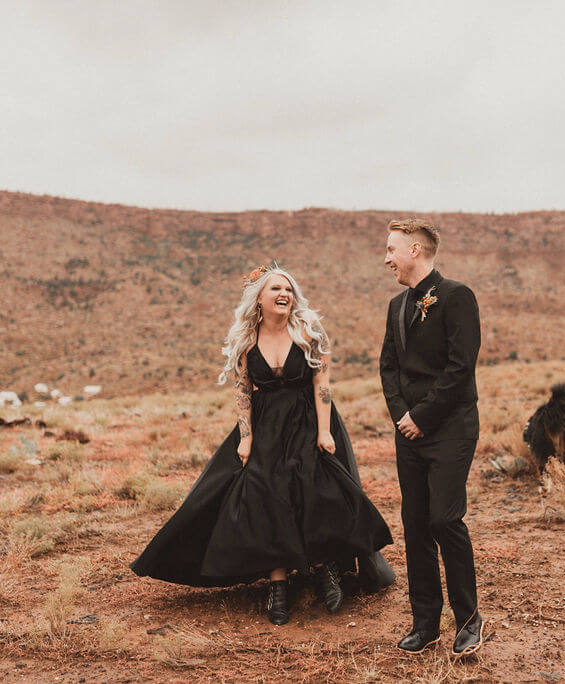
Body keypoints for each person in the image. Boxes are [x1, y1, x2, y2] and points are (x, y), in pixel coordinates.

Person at [131, 264, 394, 626]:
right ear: (260, 299)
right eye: (275, 289)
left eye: (288, 288)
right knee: (266, 494)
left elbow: (322, 385)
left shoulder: (309, 333)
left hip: (309, 420)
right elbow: (243, 390)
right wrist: (246, 436)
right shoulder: (247, 338)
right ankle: (278, 584)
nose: (283, 293)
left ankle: (325, 569)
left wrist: (324, 431)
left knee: (316, 491)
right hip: (267, 425)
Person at [379, 219, 485, 656]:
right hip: (410, 432)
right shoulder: (395, 306)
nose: (386, 258)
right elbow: (388, 367)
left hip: (451, 429)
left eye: (391, 249)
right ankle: (426, 623)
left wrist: (422, 416)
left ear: (416, 250)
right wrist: (403, 416)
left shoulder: (458, 297)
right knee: (415, 524)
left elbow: (461, 368)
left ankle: (469, 619)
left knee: (444, 519)